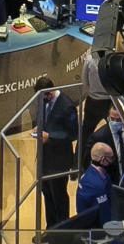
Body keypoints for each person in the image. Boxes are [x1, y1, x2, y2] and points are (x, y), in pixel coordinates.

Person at [31, 76, 77, 228]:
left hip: (59, 160)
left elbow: (73, 134)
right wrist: (39, 128)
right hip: (44, 158)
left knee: (59, 196)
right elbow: (43, 119)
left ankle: (63, 229)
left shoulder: (67, 105)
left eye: (43, 96)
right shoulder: (43, 100)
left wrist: (50, 136)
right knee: (47, 194)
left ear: (49, 92)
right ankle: (51, 228)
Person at [79, 49, 111, 168]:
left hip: (93, 101)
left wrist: (92, 92)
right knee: (112, 131)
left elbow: (84, 81)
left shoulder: (89, 59)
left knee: (85, 132)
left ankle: (78, 163)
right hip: (109, 101)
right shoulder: (112, 59)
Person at [76, 143, 116, 228]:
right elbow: (105, 218)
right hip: (94, 230)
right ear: (103, 159)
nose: (113, 161)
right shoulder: (98, 186)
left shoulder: (92, 172)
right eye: (111, 158)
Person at [86, 107, 124, 183]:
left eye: (118, 119)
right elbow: (88, 162)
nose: (115, 122)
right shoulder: (98, 137)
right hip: (110, 182)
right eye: (112, 119)